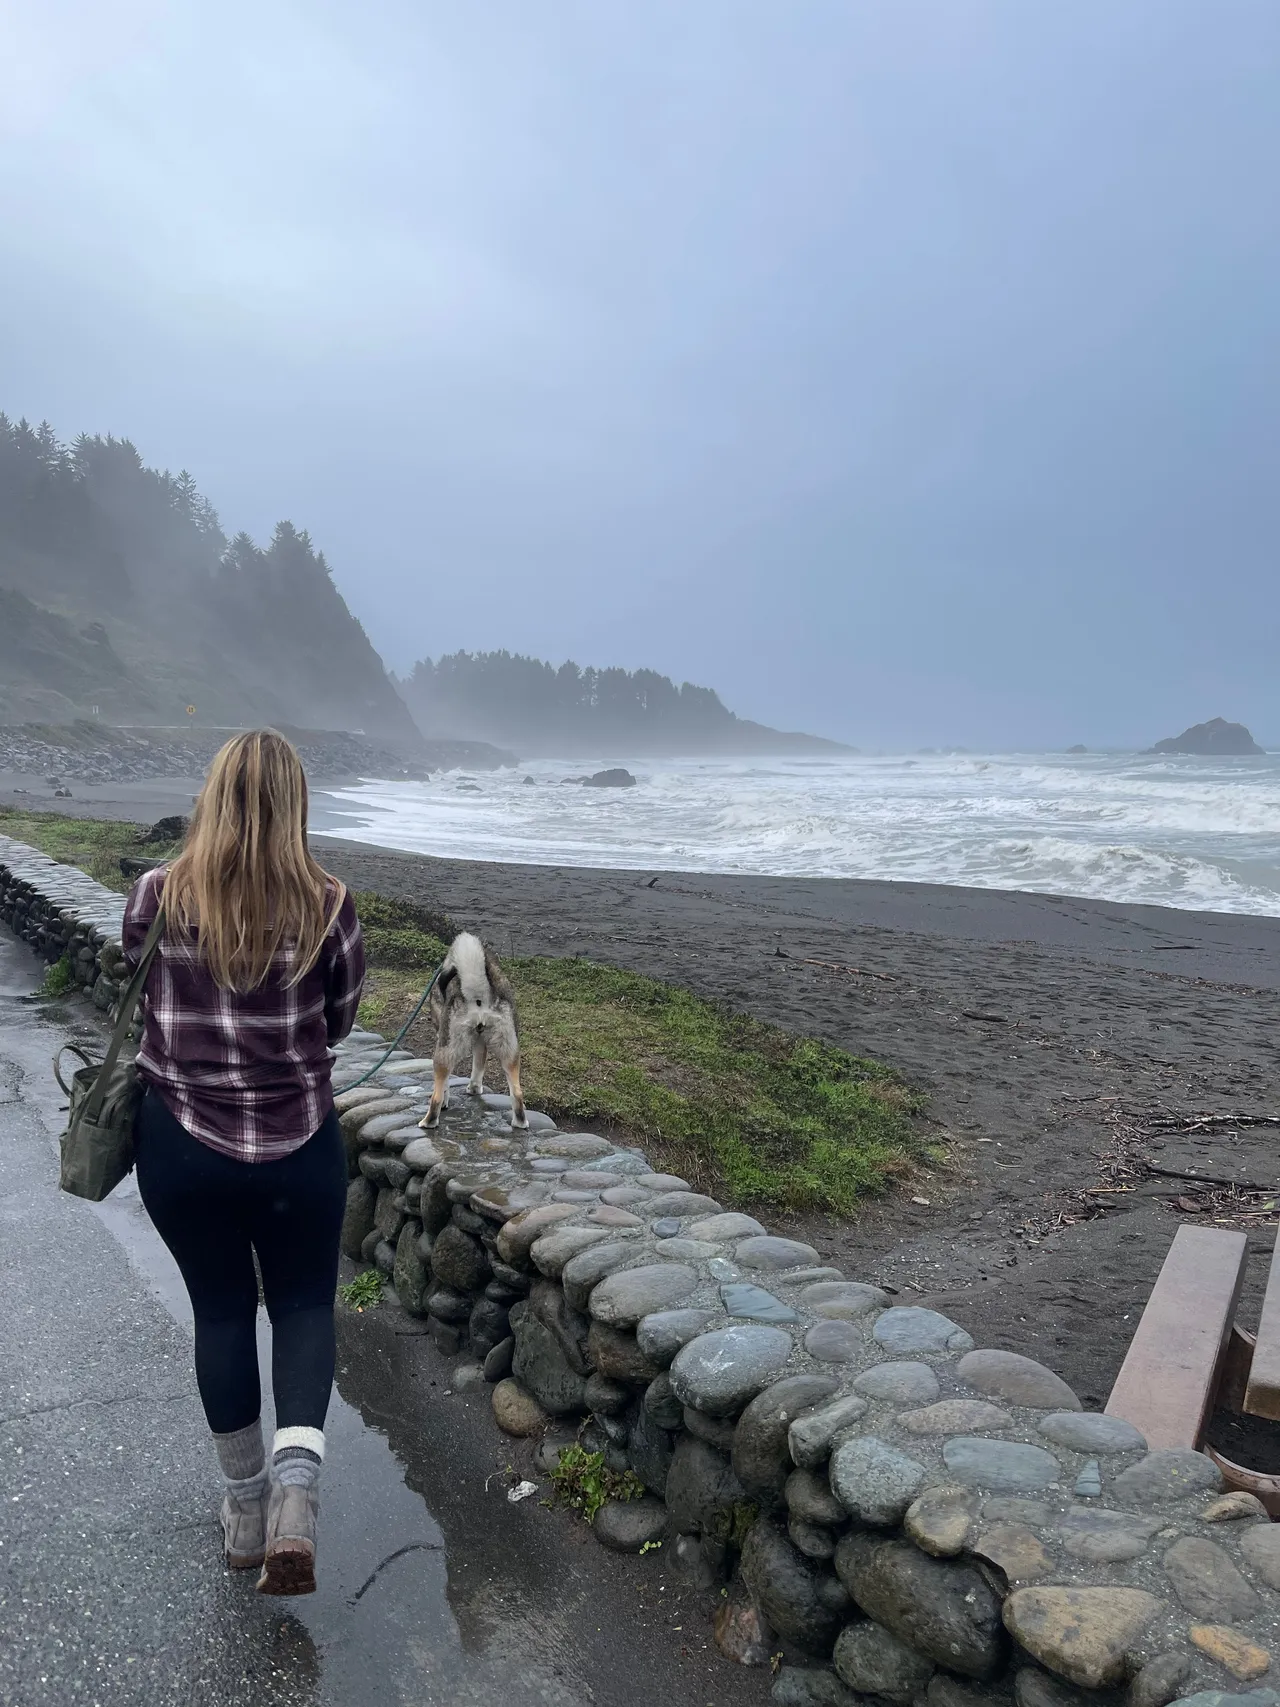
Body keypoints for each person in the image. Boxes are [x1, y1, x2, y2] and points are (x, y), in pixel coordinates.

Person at [121, 728, 365, 1595]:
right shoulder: (330, 905)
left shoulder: (155, 894)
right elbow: (339, 1020)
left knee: (222, 1312)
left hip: (182, 1146)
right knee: (301, 1306)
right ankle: (297, 1505)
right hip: (299, 1145)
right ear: (295, 806)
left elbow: (141, 988)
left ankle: (246, 1509)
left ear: (214, 797)